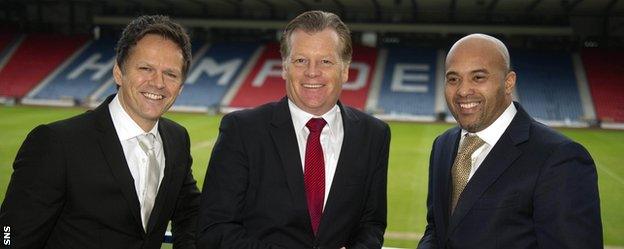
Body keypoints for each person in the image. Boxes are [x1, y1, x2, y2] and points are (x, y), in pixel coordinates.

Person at [0, 15, 200, 249]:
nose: (158, 83)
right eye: (146, 68)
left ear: (181, 86)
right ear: (118, 72)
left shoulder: (177, 139)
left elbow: (190, 212)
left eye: (171, 74)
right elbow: (9, 235)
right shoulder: (56, 144)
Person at [197, 10, 390, 249]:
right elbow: (214, 228)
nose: (312, 72)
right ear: (285, 67)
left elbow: (372, 224)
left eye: (326, 61)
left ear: (345, 69)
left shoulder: (374, 135)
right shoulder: (242, 130)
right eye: (300, 60)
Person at [417, 33, 602, 249]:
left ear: (508, 82)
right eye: (453, 79)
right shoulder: (443, 145)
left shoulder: (560, 159)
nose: (463, 91)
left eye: (478, 77)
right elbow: (438, 230)